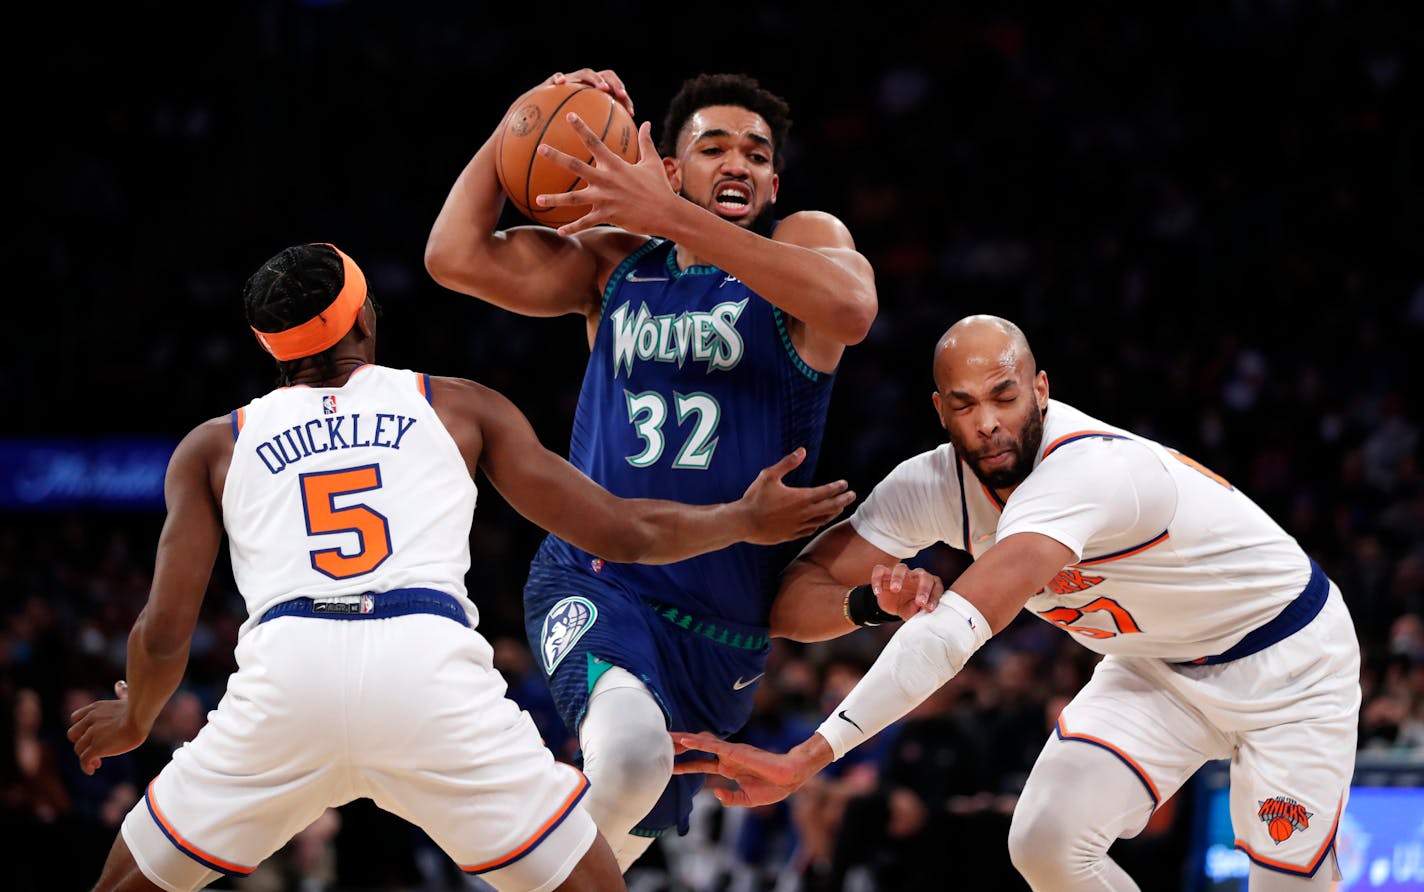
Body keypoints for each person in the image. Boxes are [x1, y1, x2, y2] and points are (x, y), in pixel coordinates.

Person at [65, 243, 855, 892]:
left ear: (268, 345)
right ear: (365, 317)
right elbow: (624, 531)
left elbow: (164, 633)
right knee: (590, 882)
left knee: (125, 882)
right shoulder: (456, 406)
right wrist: (741, 521)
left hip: (287, 675)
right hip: (426, 671)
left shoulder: (215, 443)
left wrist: (135, 720)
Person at [674, 315, 1362, 891]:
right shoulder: (931, 485)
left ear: (1040, 389)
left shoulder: (1084, 471)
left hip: (1288, 663)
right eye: (965, 404)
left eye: (1004, 396)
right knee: (1046, 842)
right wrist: (868, 604)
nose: (989, 423)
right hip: (1154, 664)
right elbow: (792, 596)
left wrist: (809, 756)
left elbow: (953, 634)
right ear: (940, 410)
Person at [425, 68, 877, 866]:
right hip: (599, 577)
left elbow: (851, 310)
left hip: (722, 627)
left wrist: (673, 217)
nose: (737, 162)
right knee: (630, 760)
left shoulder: (804, 243)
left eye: (756, 153)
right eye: (713, 147)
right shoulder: (615, 266)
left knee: (619, 833)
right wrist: (519, 122)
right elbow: (453, 256)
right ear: (668, 168)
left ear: (776, 181)